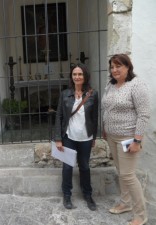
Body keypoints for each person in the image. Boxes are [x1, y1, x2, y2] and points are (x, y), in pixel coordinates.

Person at [102, 54, 150, 225]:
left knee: (128, 175)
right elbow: (107, 108)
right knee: (120, 171)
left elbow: (143, 115)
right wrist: (104, 128)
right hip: (112, 137)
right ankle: (125, 203)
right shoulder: (111, 85)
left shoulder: (136, 85)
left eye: (118, 66)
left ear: (128, 67)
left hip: (128, 138)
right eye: (112, 66)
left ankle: (141, 215)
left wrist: (137, 141)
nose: (114, 70)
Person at [54, 63, 99, 211]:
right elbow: (59, 116)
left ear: (85, 76)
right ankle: (67, 195)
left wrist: (93, 137)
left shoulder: (93, 94)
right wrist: (58, 138)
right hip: (69, 137)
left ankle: (88, 194)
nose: (77, 77)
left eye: (80, 74)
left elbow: (94, 117)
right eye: (75, 74)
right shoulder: (65, 94)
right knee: (67, 167)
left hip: (85, 137)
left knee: (85, 167)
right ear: (71, 76)